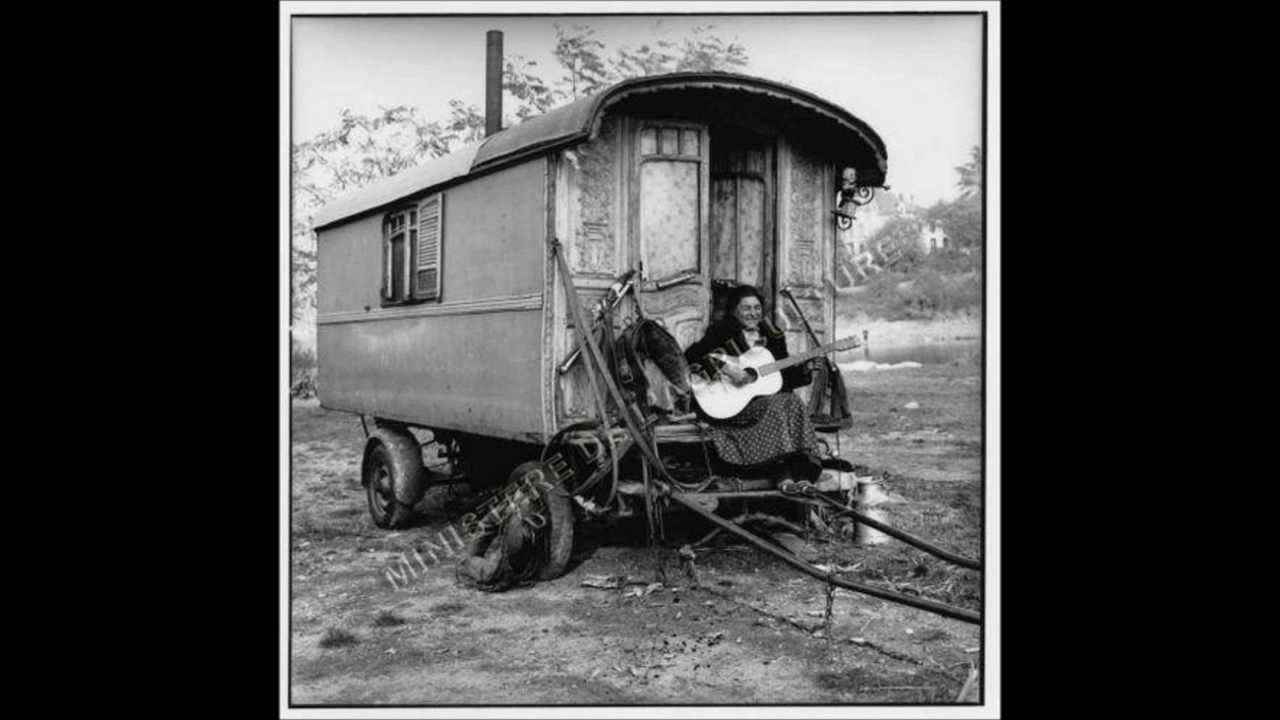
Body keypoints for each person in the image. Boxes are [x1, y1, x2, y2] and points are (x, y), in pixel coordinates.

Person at [684, 285, 823, 486]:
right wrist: (725, 368)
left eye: (757, 308)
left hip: (763, 401)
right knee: (779, 406)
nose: (753, 313)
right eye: (746, 308)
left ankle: (802, 474)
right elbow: (692, 357)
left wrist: (806, 369)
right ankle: (781, 472)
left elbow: (782, 375)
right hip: (729, 404)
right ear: (734, 311)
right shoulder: (722, 332)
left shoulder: (772, 335)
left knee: (790, 401)